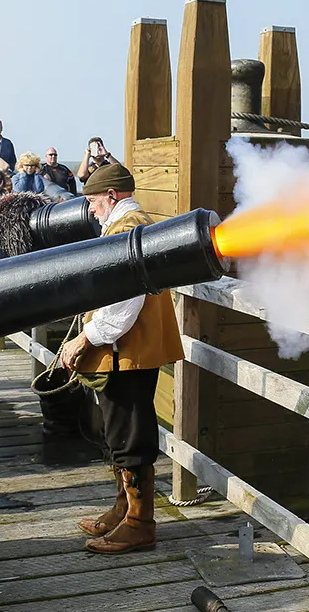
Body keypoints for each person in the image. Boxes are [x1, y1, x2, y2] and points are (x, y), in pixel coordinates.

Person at [59, 164, 183, 555]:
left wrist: (85, 338)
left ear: (111, 196)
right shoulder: (130, 225)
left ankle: (140, 523)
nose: (91, 209)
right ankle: (123, 510)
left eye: (94, 201)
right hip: (123, 353)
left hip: (124, 353)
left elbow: (123, 305)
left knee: (130, 438)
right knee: (118, 434)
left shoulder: (126, 229)